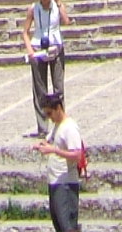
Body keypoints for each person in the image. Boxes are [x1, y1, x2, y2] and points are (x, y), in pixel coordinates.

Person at [32, 95, 86, 232]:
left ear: (58, 108)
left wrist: (54, 150)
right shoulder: (58, 126)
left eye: (50, 113)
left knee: (67, 226)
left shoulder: (70, 128)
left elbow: (77, 155)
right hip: (56, 182)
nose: (49, 117)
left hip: (66, 183)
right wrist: (42, 145)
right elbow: (51, 141)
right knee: (59, 225)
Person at [22, 0, 66, 135]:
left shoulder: (57, 6)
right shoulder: (33, 9)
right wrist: (29, 50)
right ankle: (42, 127)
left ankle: (61, 122)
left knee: (58, 87)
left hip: (56, 47)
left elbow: (66, 21)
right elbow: (25, 32)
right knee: (40, 89)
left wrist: (59, 3)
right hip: (38, 48)